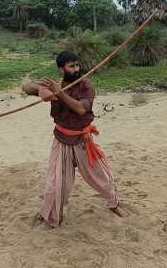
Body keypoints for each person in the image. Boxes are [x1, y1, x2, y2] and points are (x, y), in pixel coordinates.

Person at [21, 51, 125, 228]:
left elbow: (80, 109)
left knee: (103, 178)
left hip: (84, 141)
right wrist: (41, 90)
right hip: (61, 141)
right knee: (56, 185)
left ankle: (113, 204)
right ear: (62, 69)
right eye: (71, 66)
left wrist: (58, 93)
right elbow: (26, 87)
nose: (76, 69)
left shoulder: (86, 86)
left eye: (77, 65)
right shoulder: (56, 84)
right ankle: (53, 218)